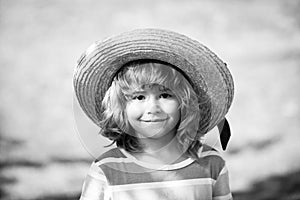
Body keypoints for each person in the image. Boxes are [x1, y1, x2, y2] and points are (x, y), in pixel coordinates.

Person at [73, 28, 234, 200]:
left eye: (165, 95)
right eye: (139, 97)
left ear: (185, 103)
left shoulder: (211, 163)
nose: (153, 108)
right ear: (120, 107)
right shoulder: (106, 169)